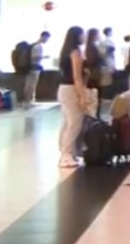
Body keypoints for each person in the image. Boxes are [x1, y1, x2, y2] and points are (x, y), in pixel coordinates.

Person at [56, 26, 88, 168]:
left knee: (67, 121)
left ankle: (64, 151)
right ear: (77, 36)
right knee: (75, 122)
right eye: (83, 35)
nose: (84, 37)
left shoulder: (65, 51)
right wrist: (82, 96)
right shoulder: (75, 52)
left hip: (62, 88)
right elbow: (77, 76)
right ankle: (66, 153)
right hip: (71, 89)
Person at [24, 31, 50, 108]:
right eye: (47, 38)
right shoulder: (39, 46)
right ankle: (29, 101)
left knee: (28, 85)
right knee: (31, 85)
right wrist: (45, 57)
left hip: (29, 67)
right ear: (43, 37)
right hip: (34, 68)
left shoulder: (33, 45)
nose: (47, 40)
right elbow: (35, 57)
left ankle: (28, 101)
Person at [83, 28, 104, 118]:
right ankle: (94, 116)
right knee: (95, 96)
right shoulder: (92, 47)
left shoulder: (90, 46)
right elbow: (92, 61)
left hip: (93, 75)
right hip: (94, 76)